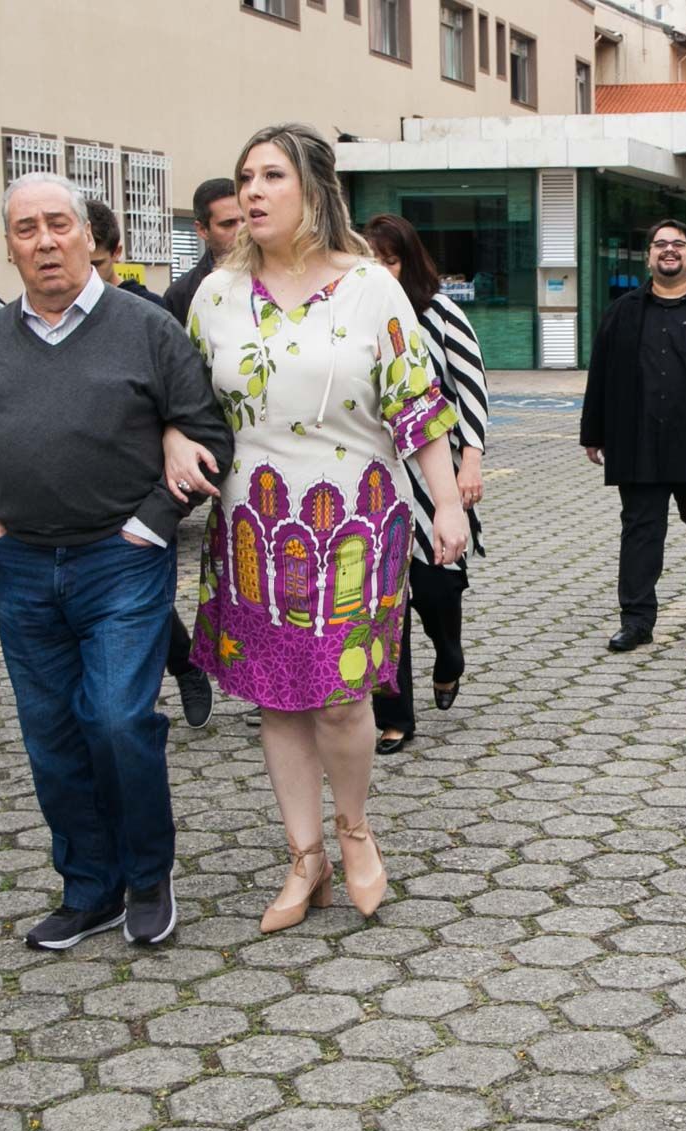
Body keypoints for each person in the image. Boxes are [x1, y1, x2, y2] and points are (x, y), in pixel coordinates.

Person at [164, 123, 465, 934]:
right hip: (253, 529)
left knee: (340, 698)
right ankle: (305, 859)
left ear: (313, 189)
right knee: (277, 702)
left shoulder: (370, 286)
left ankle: (355, 829)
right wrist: (170, 438)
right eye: (244, 177)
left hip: (355, 526)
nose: (252, 192)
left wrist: (446, 500)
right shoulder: (216, 294)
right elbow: (184, 400)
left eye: (271, 176)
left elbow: (415, 401)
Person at [0, 172, 233, 950]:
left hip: (121, 561)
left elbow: (207, 434)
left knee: (114, 720)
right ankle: (89, 888)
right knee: (51, 735)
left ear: (86, 235)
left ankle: (148, 875)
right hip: (22, 567)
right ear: (9, 247)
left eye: (57, 225)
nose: (44, 242)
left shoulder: (144, 328)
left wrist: (150, 524)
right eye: (25, 229)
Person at [580, 217, 686, 652]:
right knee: (640, 535)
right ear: (650, 256)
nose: (669, 250)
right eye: (660, 244)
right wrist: (593, 432)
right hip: (640, 446)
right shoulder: (622, 313)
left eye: (678, 244)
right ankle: (636, 621)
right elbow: (600, 376)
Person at [85, 198, 221, 727]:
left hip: (137, 493)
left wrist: (169, 435)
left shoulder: (150, 314)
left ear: (116, 254)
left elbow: (185, 401)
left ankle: (182, 668)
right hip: (73, 500)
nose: (85, 274)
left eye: (97, 263)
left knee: (132, 595)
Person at [362, 213, 488, 754]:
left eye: (389, 259)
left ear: (408, 262)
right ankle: (394, 717)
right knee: (383, 603)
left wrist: (471, 462)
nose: (380, 271)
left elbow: (471, 385)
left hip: (434, 470)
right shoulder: (346, 316)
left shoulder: (439, 314)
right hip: (373, 479)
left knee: (437, 592)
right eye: (370, 260)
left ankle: (450, 653)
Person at [164, 178, 243, 325]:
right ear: (202, 230)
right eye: (228, 224)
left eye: (245, 220)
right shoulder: (180, 295)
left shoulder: (285, 275)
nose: (241, 231)